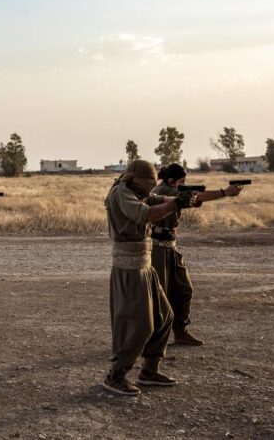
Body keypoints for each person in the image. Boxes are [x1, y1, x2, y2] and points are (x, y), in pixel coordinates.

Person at [101, 160, 196, 396]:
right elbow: (145, 214)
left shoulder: (137, 192)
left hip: (145, 264)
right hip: (129, 267)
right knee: (140, 325)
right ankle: (116, 375)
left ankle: (149, 371)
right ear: (137, 179)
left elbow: (158, 200)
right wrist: (176, 203)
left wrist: (183, 199)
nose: (151, 187)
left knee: (165, 316)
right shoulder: (121, 193)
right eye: (149, 182)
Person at [151, 163, 243, 346]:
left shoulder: (171, 190)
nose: (184, 185)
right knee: (159, 294)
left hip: (170, 246)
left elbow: (194, 199)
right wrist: (224, 192)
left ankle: (180, 332)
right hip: (157, 249)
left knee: (184, 289)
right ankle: (154, 337)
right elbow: (196, 197)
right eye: (182, 182)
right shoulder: (163, 191)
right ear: (171, 180)